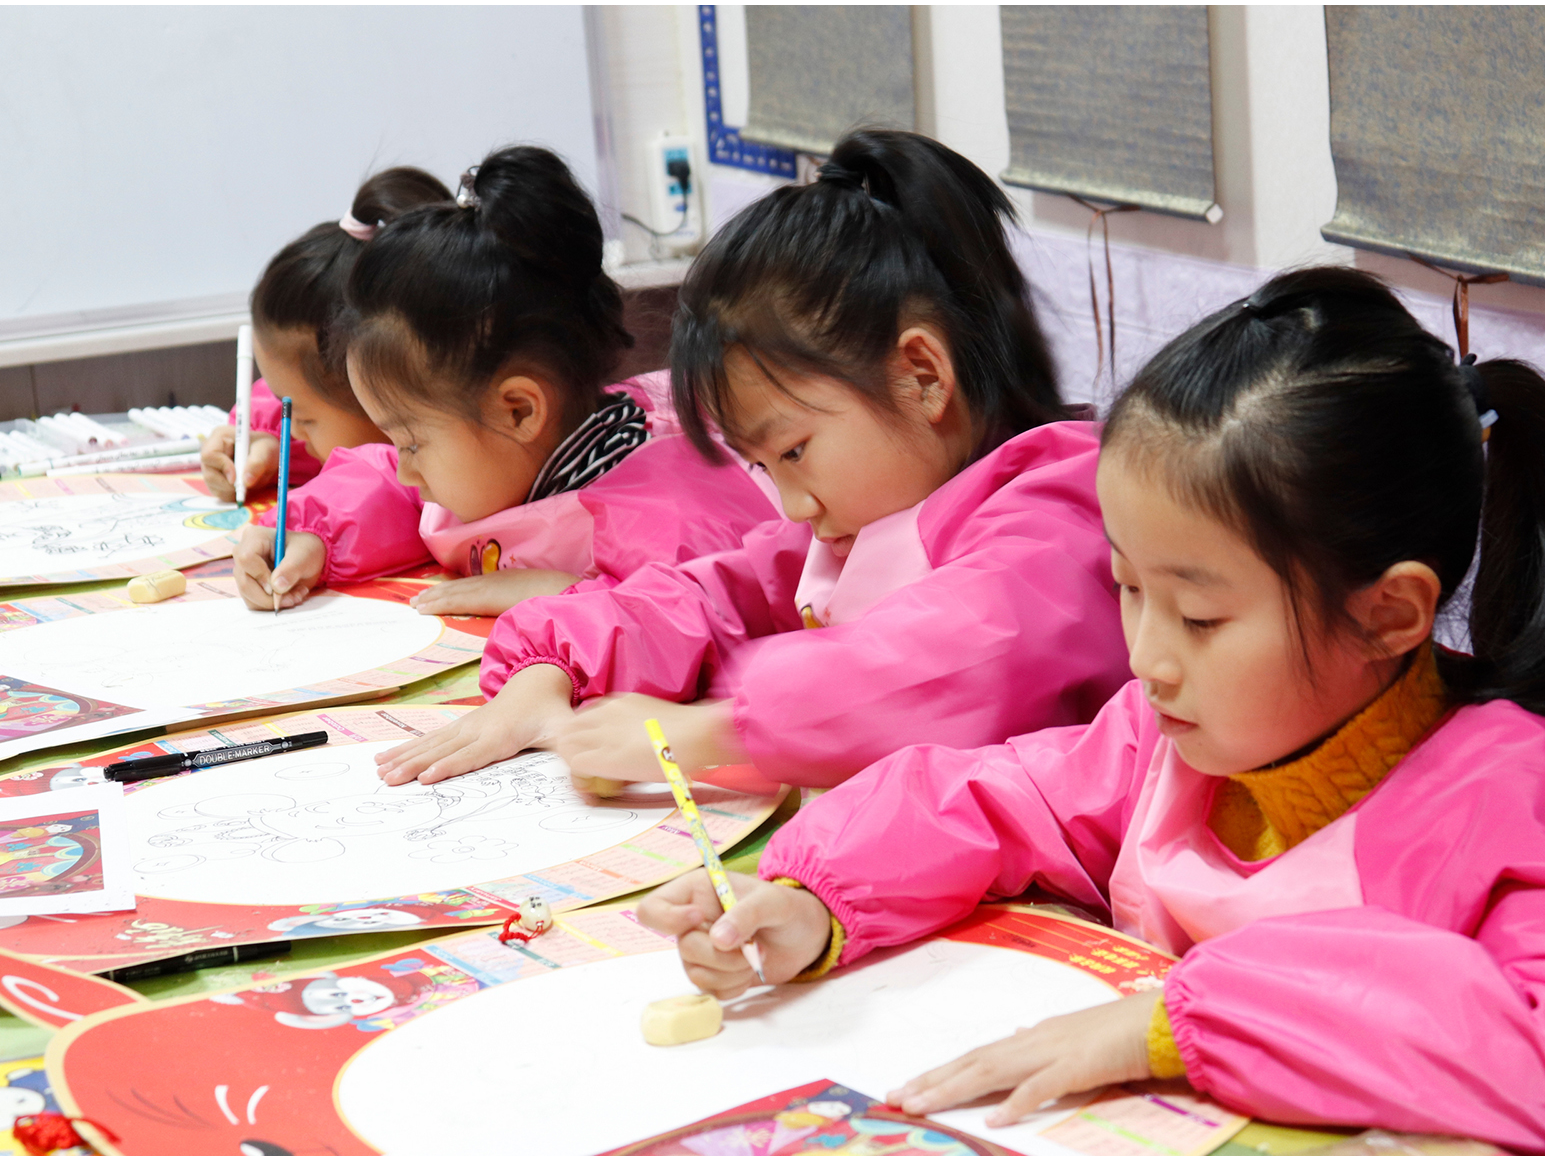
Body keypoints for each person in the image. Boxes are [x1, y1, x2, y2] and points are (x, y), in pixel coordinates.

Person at [641, 268, 1545, 1156]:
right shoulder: (1168, 737)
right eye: (1129, 589)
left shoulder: (1523, 803)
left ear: (1389, 613)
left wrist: (1169, 1027)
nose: (1149, 657)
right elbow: (1004, 796)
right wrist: (818, 898)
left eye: (1201, 617)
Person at [374, 129, 1131, 788]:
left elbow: (953, 661)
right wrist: (551, 668)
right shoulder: (851, 529)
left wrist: (712, 731)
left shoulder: (1055, 520)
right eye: (765, 467)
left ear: (922, 377)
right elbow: (707, 596)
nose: (792, 504)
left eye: (795, 450)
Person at [232, 146, 778, 617]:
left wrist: (564, 593)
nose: (403, 466)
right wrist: (315, 534)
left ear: (519, 410)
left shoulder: (671, 521)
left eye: (412, 443)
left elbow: (709, 613)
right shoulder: (510, 458)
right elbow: (395, 489)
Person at [200, 168, 450, 501]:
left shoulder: (450, 494)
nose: (295, 433)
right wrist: (269, 447)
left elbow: (374, 487)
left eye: (303, 419)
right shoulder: (333, 412)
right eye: (287, 412)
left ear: (380, 397)